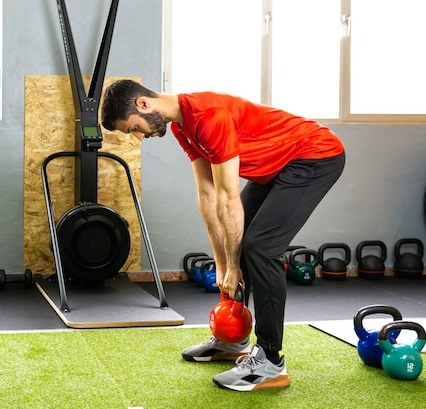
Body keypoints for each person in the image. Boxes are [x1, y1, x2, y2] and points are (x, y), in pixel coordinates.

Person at [101, 79, 345, 392]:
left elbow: (229, 199)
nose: (138, 137)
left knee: (260, 248)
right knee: (240, 244)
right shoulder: (182, 127)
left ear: (144, 105)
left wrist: (233, 266)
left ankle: (271, 361)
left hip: (314, 154)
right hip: (276, 165)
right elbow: (207, 194)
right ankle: (233, 339)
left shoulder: (209, 117)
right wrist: (222, 264)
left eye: (133, 128)